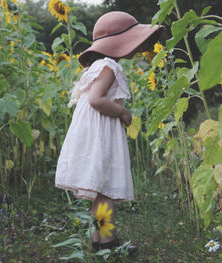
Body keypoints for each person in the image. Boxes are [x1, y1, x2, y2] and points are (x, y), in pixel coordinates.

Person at [55, 11, 164, 252]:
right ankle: (110, 244)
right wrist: (123, 113)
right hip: (100, 135)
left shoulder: (98, 66)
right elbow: (96, 100)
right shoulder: (110, 66)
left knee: (100, 193)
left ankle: (98, 242)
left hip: (93, 132)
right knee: (106, 192)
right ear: (120, 43)